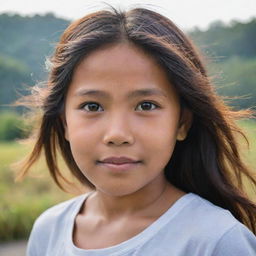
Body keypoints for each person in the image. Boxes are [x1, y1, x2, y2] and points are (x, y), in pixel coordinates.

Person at [17, 6, 256, 256]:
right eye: (92, 106)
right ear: (64, 122)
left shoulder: (217, 241)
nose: (118, 134)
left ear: (182, 123)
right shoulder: (48, 231)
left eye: (146, 105)